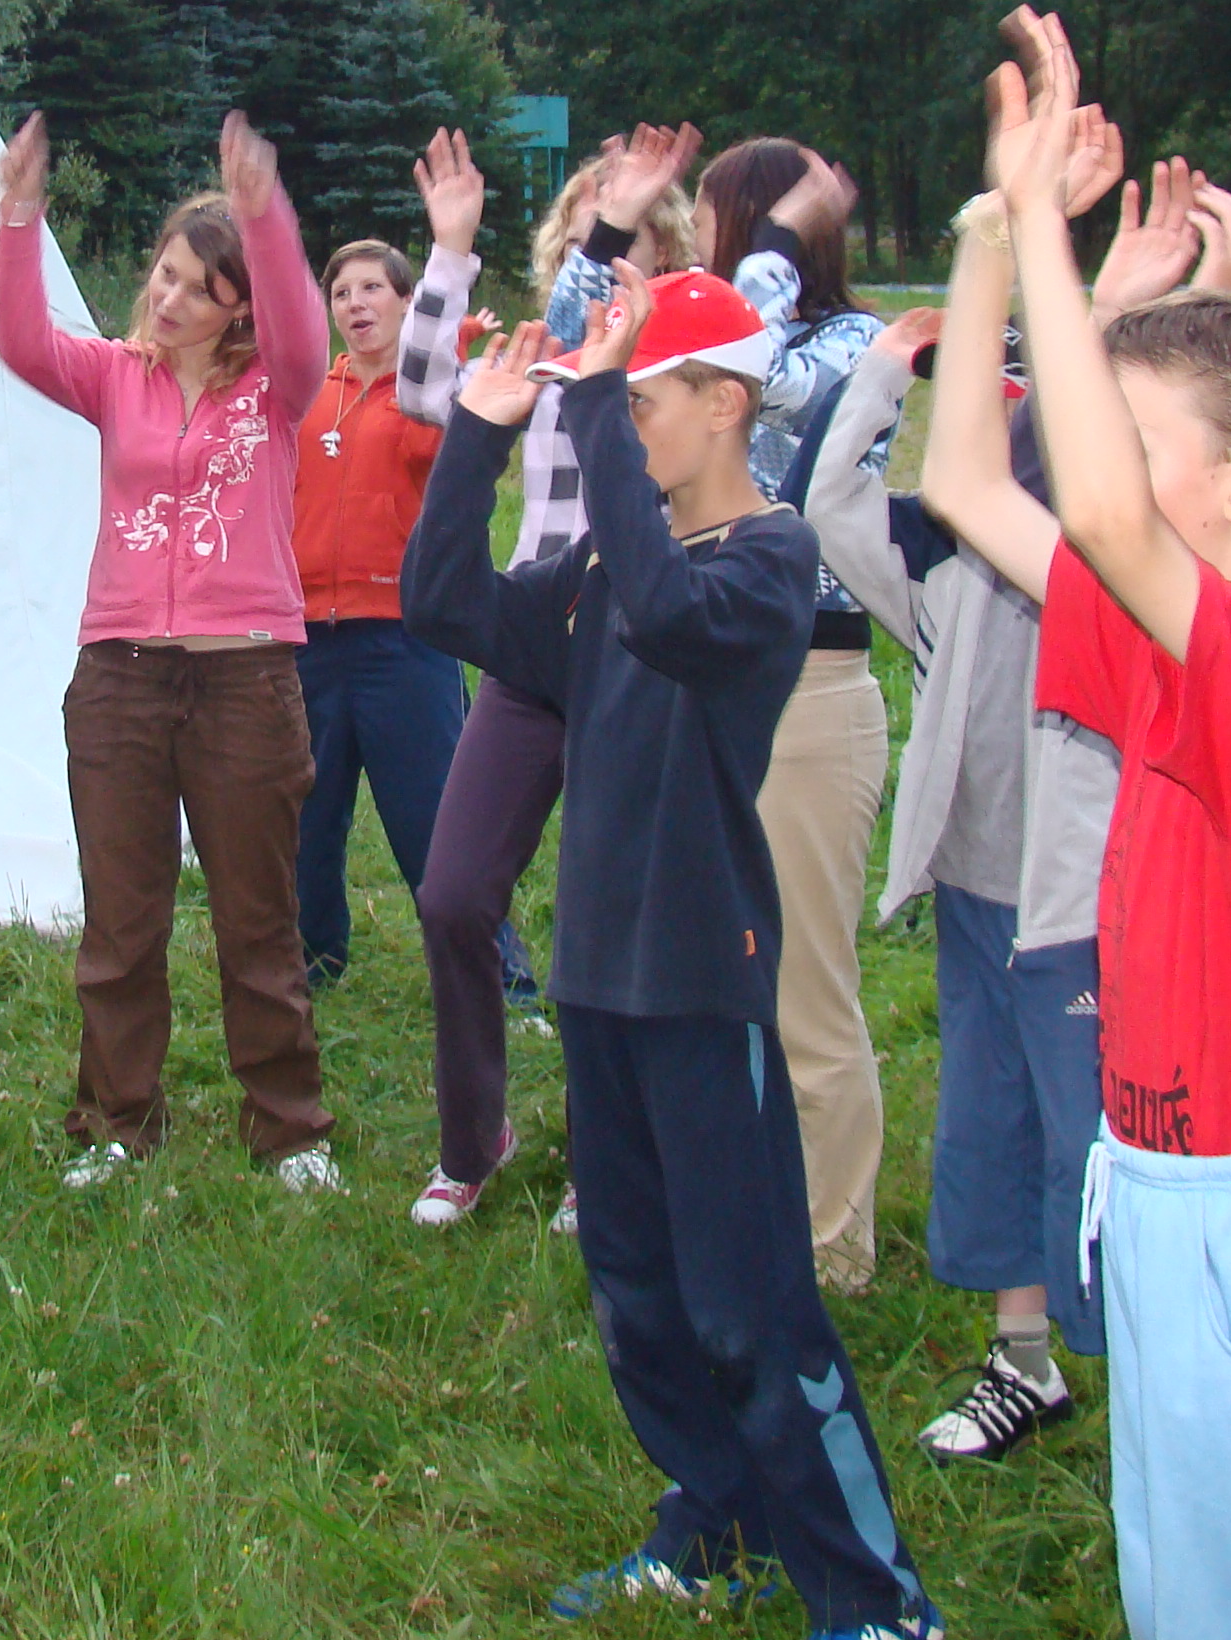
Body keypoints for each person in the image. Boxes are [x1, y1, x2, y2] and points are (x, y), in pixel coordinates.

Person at [924, 11, 1231, 1640]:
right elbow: (968, 482)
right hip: (1158, 1177)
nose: (1096, 476)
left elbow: (1105, 516)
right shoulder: (1167, 633)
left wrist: (1054, 241)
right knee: (1183, 1577)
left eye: (1133, 445)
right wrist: (996, 233)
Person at [406, 271, 935, 1640]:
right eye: (620, 405)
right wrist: (477, 435)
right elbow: (443, 605)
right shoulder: (605, 566)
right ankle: (715, 1525)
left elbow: (673, 619)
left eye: (641, 403)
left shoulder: (768, 561)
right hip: (599, 982)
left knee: (753, 1312)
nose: (621, 425)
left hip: (702, 982)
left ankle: (875, 1598)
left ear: (725, 404)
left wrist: (588, 410)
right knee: (638, 1299)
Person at [797, 142, 1217, 1462]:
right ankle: (1021, 1358)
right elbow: (827, 502)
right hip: (982, 887)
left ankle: (1163, 1384)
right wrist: (885, 370)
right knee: (992, 1125)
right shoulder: (949, 563)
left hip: (1092, 907)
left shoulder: (1132, 578)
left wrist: (1109, 308)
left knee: (1099, 1139)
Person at [0, 108, 340, 1194]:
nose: (168, 296)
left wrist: (262, 214)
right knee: (121, 920)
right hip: (121, 680)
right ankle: (115, 1122)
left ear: (237, 304)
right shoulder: (114, 375)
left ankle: (289, 1131)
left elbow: (304, 331)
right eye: (165, 273)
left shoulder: (277, 387)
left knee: (258, 922)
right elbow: (22, 344)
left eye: (199, 285)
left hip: (245, 678)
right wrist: (18, 217)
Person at [395, 123, 699, 1232]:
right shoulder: (551, 343)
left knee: (605, 915)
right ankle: (474, 1138)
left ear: (668, 263)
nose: (597, 264)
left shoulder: (685, 363)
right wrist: (448, 251)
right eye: (579, 245)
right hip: (535, 640)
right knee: (452, 895)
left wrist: (615, 226)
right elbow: (423, 389)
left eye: (621, 244)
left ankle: (606, 1151)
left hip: (640, 650)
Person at [691, 136, 891, 1287]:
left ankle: (831, 1247)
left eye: (713, 216)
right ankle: (739, 1208)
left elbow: (751, 367)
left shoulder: (855, 346)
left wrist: (769, 246)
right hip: (706, 685)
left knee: (805, 984)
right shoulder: (721, 330)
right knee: (715, 974)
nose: (701, 236)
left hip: (808, 693)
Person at [289, 233, 458, 985]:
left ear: (406, 302)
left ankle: (496, 975)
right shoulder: (307, 395)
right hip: (308, 638)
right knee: (306, 816)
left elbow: (440, 456)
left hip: (402, 637)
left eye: (372, 289)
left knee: (433, 817)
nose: (355, 304)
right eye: (341, 293)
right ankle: (312, 961)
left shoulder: (425, 396)